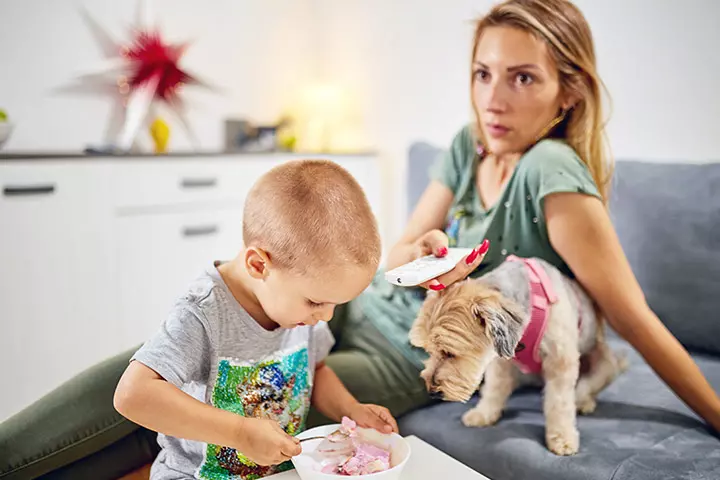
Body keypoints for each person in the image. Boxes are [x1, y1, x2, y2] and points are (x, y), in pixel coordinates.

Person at [2, 0, 719, 478]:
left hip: (391, 346)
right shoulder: (469, 146)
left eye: (522, 78)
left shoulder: (552, 171)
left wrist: (714, 412)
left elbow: (629, 314)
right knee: (169, 364)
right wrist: (428, 252)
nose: (493, 98)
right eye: (482, 73)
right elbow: (400, 254)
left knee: (218, 397)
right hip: (347, 298)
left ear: (567, 92)